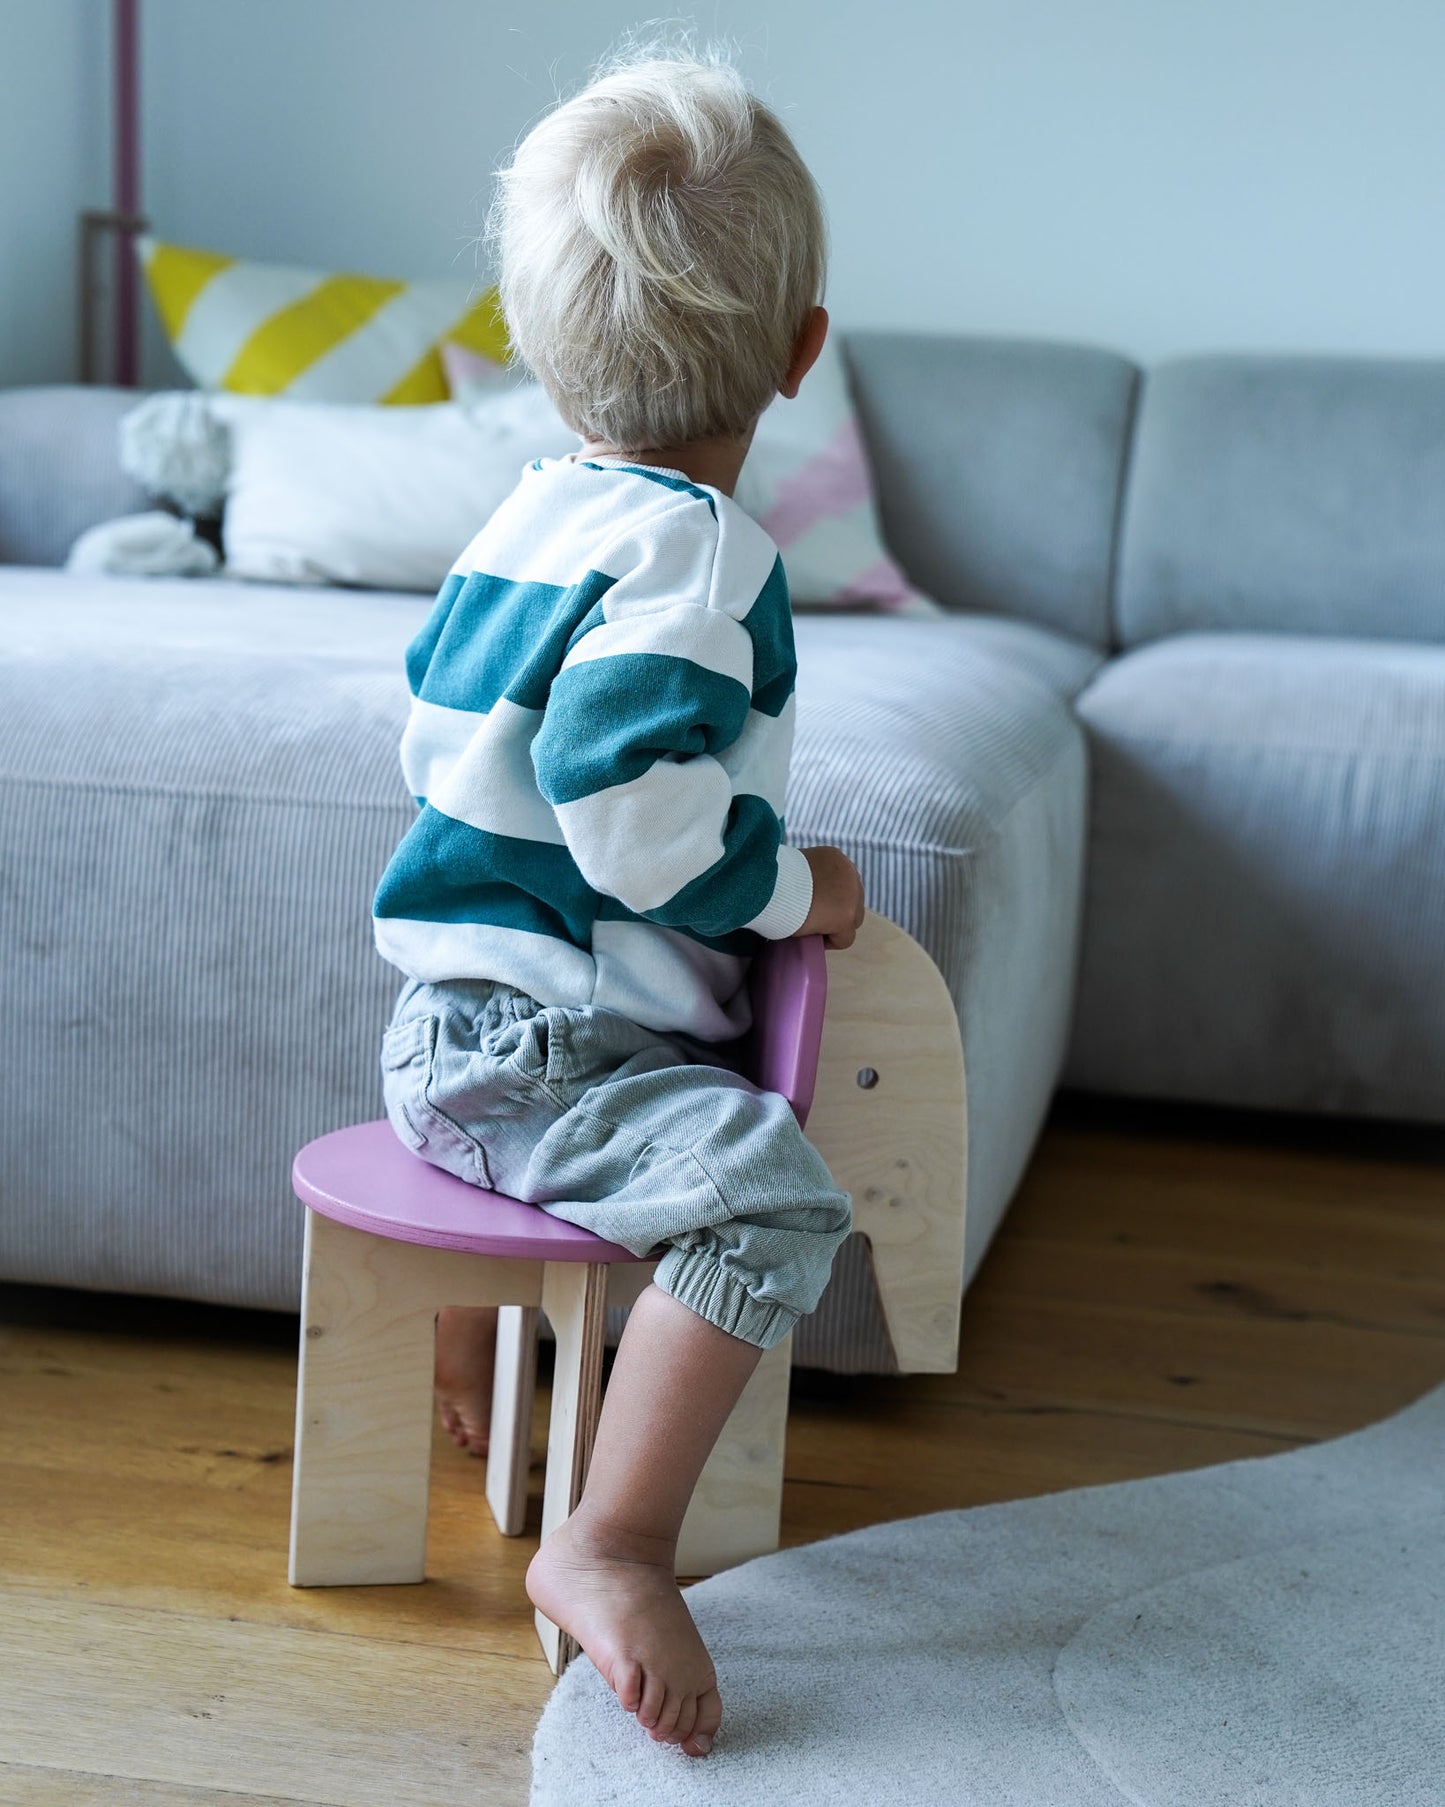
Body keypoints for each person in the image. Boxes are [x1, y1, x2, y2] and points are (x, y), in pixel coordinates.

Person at [372, 46, 863, 1760]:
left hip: (444, 1025)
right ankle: (613, 1534)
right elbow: (631, 814)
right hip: (548, 1048)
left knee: (654, 1124)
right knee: (769, 1204)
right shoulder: (703, 553)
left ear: (536, 340)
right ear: (803, 350)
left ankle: (460, 1318)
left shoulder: (522, 515)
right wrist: (797, 892)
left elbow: (438, 726)